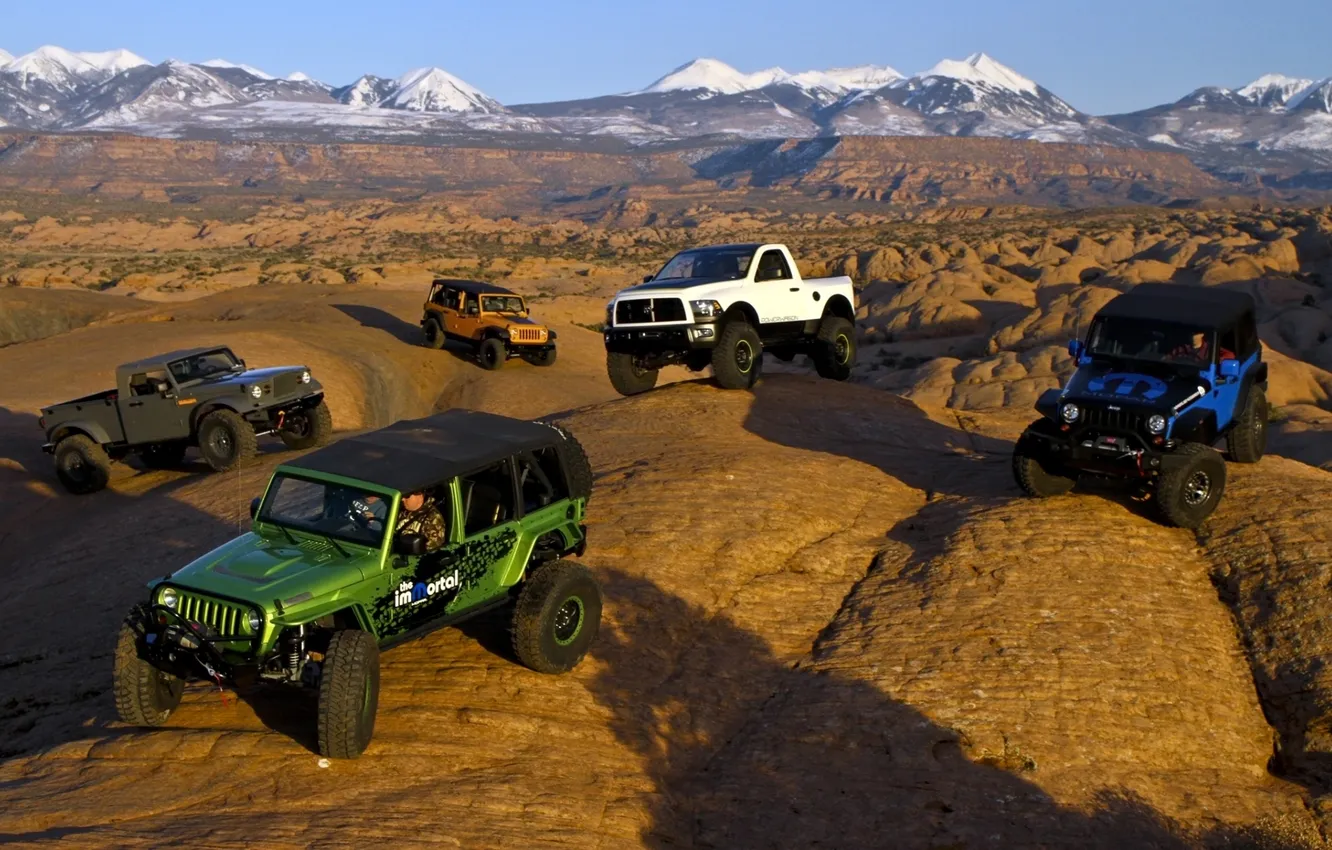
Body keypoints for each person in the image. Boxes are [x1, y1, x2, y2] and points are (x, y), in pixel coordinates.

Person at [1169, 331, 1234, 364]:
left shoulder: (1212, 349)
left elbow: (1230, 355)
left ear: (1202, 334)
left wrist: (1211, 362)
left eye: (1196, 334)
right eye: (1191, 334)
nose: (1193, 337)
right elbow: (1167, 358)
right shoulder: (1181, 348)